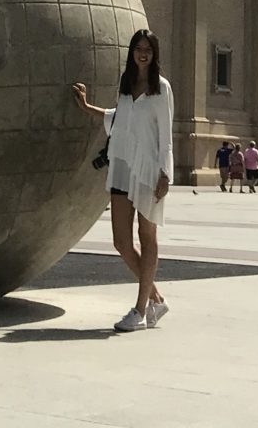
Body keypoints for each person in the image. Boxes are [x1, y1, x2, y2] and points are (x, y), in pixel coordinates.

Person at [73, 29, 174, 333]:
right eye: (138, 48)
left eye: (148, 49)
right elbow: (121, 118)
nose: (143, 53)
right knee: (121, 241)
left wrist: (165, 174)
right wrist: (88, 107)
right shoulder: (126, 82)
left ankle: (141, 310)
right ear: (132, 52)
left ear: (154, 54)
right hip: (122, 165)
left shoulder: (162, 88)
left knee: (147, 236)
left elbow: (167, 136)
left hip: (148, 170)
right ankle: (156, 297)